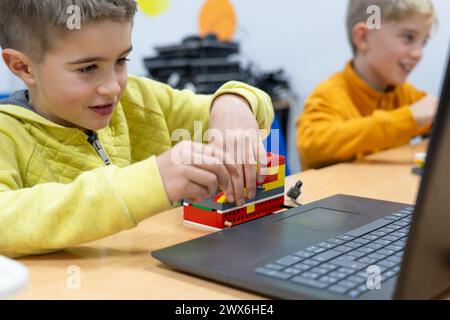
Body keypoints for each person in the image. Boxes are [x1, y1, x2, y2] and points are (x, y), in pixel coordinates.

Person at [0, 0, 274, 257]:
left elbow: (246, 108)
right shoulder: (8, 134)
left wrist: (233, 104)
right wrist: (152, 182)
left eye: (121, 61)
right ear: (23, 67)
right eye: (87, 69)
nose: (113, 87)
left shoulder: (141, 99)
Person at [296, 0, 438, 170]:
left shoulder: (405, 94)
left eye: (424, 42)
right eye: (408, 38)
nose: (418, 53)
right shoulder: (329, 94)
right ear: (363, 38)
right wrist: (409, 119)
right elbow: (311, 146)